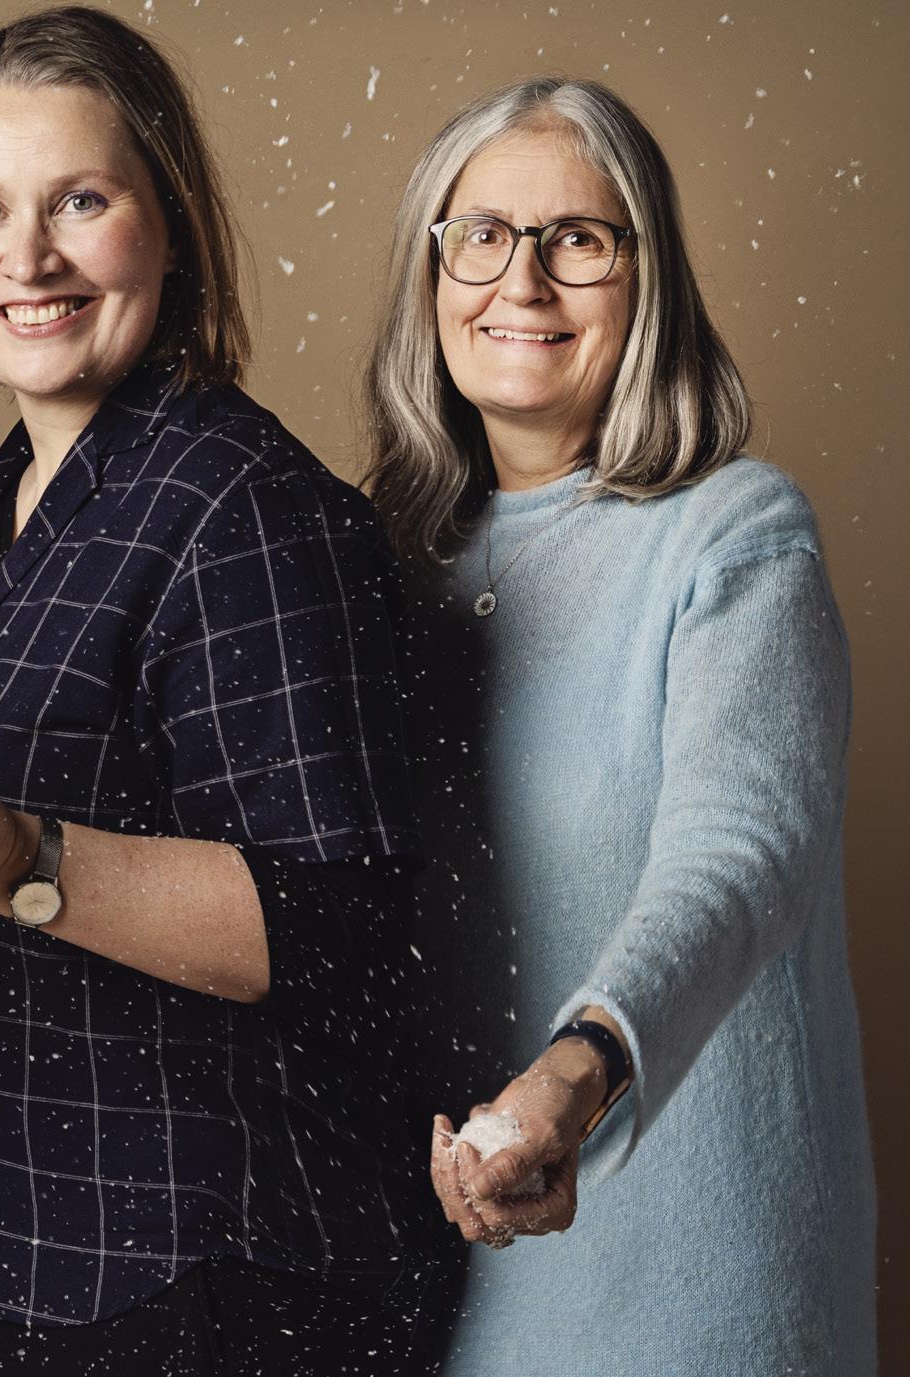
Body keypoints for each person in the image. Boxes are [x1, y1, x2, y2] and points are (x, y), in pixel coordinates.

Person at [0, 5, 449, 1375]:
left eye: (80, 200)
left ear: (169, 224)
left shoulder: (247, 508)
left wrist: (23, 861)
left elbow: (341, 931)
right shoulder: (3, 502)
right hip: (5, 1266)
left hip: (196, 1289)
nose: (27, 258)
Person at [364, 77, 877, 1374]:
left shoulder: (735, 533)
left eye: (577, 240)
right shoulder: (374, 567)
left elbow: (741, 853)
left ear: (647, 281)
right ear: (431, 272)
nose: (521, 281)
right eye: (481, 235)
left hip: (699, 1289)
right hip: (443, 1283)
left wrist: (576, 1070)